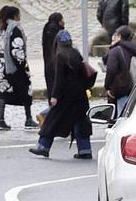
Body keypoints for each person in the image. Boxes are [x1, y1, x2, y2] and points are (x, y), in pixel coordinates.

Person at [31, 30, 93, 159]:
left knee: (52, 120)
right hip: (79, 95)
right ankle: (85, 149)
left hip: (65, 95)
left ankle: (43, 146)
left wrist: (54, 96)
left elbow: (59, 79)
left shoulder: (60, 56)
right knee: (80, 121)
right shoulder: (76, 53)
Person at [0, 5, 35, 130]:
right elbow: (17, 48)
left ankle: (0, 119)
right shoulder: (15, 29)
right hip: (13, 65)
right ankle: (28, 118)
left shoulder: (2, 30)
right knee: (25, 89)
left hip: (1, 66)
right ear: (14, 16)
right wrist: (22, 65)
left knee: (3, 93)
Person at [104, 25, 136, 115]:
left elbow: (111, 70)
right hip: (133, 86)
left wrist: (107, 86)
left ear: (119, 36)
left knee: (121, 116)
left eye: (115, 35)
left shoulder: (116, 50)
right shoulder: (133, 49)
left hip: (121, 89)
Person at [40, 12, 65, 100]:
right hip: (58, 64)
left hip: (48, 63)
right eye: (62, 19)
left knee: (51, 85)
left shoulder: (47, 30)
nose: (64, 22)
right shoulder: (59, 32)